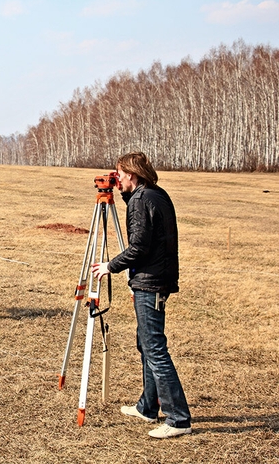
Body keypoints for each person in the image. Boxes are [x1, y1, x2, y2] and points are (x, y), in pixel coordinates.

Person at [92, 151, 191, 439]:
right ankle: (148, 406)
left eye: (119, 173)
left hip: (150, 282)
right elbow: (145, 229)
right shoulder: (153, 194)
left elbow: (139, 247)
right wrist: (123, 194)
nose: (116, 177)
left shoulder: (141, 200)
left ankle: (178, 418)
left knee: (155, 349)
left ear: (132, 175)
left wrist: (110, 266)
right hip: (156, 279)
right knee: (146, 345)